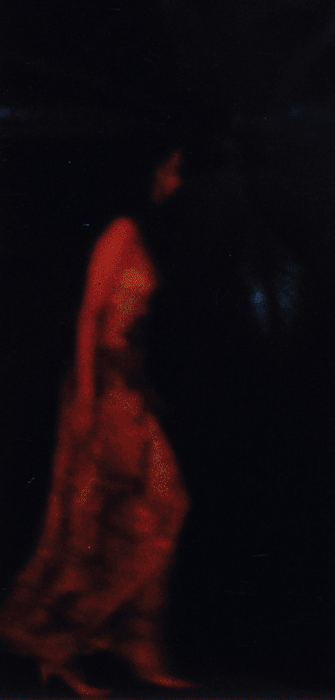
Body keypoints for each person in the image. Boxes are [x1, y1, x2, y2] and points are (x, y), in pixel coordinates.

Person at [0, 154, 191, 697]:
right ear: (152, 173)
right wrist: (86, 396)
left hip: (129, 388)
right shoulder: (122, 230)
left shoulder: (153, 235)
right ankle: (54, 645)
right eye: (173, 169)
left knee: (158, 509)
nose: (178, 181)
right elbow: (91, 314)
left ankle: (128, 640)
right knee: (91, 520)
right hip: (103, 387)